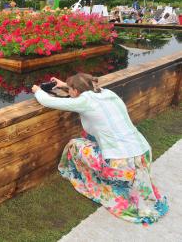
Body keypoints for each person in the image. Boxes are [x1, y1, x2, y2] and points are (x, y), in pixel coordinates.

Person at [31, 73, 168, 224]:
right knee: (94, 139)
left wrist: (38, 90)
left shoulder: (84, 101)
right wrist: (64, 85)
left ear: (75, 91)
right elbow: (87, 89)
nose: (69, 93)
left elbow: (49, 101)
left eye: (70, 90)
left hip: (120, 163)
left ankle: (79, 175)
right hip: (143, 154)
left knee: (75, 145)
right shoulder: (108, 93)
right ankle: (130, 183)